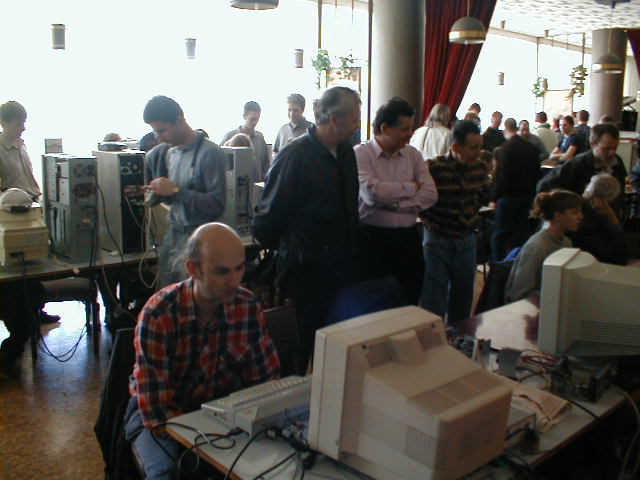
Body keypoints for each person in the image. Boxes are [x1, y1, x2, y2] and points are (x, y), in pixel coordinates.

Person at [124, 223, 280, 480]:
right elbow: (157, 411)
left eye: (240, 268)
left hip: (218, 409)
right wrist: (208, 444)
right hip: (157, 413)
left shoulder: (247, 306)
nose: (235, 281)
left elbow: (265, 383)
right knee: (165, 473)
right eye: (222, 271)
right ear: (194, 269)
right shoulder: (159, 314)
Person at [253, 86, 361, 372]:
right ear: (335, 119)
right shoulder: (295, 155)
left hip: (341, 266)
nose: (357, 125)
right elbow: (267, 219)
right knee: (298, 347)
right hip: (304, 270)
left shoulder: (346, 152)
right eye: (354, 119)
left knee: (337, 345)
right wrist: (291, 247)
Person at [356, 97, 438, 304]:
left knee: (410, 300)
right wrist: (412, 187)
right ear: (385, 128)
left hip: (408, 240)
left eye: (411, 128)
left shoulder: (413, 155)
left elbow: (430, 194)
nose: (410, 134)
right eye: (404, 129)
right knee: (373, 305)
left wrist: (394, 204)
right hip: (371, 241)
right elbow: (373, 193)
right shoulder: (361, 154)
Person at [143, 95, 227, 288]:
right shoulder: (171, 152)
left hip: (200, 238)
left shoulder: (210, 153)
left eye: (162, 130)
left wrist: (175, 190)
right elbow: (175, 200)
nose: (159, 138)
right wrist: (160, 191)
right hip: (173, 234)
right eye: (155, 132)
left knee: (192, 296)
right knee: (166, 294)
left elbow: (217, 205)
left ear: (179, 119)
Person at [420, 120, 490, 323]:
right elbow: (421, 201)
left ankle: (459, 338)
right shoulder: (434, 168)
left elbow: (482, 196)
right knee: (434, 300)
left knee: (463, 299)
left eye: (480, 147)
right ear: (456, 147)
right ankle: (433, 338)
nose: (478, 152)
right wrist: (429, 222)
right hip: (437, 240)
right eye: (473, 148)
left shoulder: (480, 168)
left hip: (467, 240)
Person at [504, 190, 583, 303]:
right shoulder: (537, 247)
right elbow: (519, 294)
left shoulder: (566, 243)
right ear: (558, 215)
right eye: (575, 212)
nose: (581, 217)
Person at [537, 123, 627, 211]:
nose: (612, 153)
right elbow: (544, 185)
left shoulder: (617, 162)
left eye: (615, 148)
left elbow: (621, 191)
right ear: (593, 144)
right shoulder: (577, 164)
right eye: (607, 148)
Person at [490, 118, 542, 262]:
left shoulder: (505, 149)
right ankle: (528, 260)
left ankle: (498, 264)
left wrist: (494, 198)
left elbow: (502, 177)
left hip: (508, 196)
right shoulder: (531, 147)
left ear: (505, 129)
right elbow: (537, 173)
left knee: (499, 233)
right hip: (527, 195)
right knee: (523, 230)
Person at [568, 173, 628, 265]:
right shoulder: (588, 222)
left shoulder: (573, 208)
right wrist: (613, 221)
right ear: (605, 202)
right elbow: (620, 258)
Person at [222, 101, 270, 182]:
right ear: (244, 116)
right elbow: (220, 162)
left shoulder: (260, 138)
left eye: (257, 119)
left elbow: (266, 165)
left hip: (256, 185)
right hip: (233, 184)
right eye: (252, 119)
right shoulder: (229, 136)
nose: (255, 123)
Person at [272, 94, 312, 158]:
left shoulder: (311, 129)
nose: (292, 114)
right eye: (289, 110)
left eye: (295, 110)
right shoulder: (282, 130)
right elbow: (275, 152)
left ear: (302, 110)